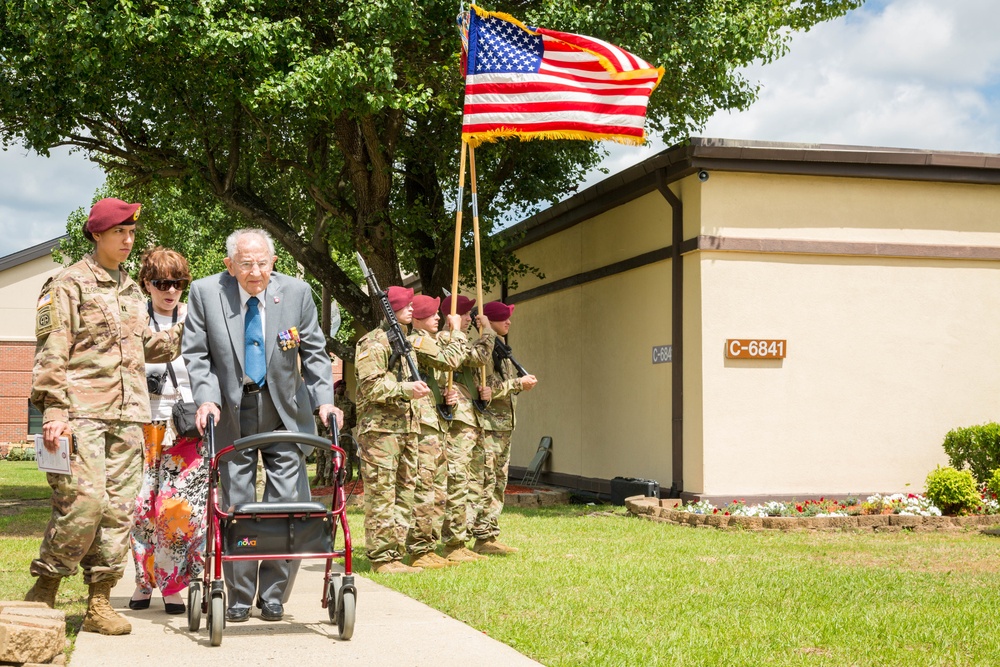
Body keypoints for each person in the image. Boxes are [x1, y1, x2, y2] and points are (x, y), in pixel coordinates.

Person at [25, 197, 184, 636]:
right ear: (97, 235)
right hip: (82, 414)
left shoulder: (132, 289)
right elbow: (53, 348)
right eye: (120, 233)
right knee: (84, 503)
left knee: (117, 511)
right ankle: (46, 587)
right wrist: (54, 408)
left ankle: (99, 601)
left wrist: (189, 329)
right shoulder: (68, 283)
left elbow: (147, 347)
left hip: (129, 416)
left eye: (132, 233)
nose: (128, 241)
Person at [182, 228, 342, 623]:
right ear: (229, 265)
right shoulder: (206, 293)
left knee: (287, 504)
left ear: (273, 262)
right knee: (238, 503)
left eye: (262, 263)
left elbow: (316, 353)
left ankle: (273, 595)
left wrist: (325, 402)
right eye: (246, 264)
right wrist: (206, 398)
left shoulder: (297, 293)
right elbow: (198, 354)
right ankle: (236, 596)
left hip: (284, 409)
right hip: (232, 412)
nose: (255, 272)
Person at [128, 247, 205, 615]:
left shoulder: (196, 319)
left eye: (177, 283)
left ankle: (173, 585)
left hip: (187, 426)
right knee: (142, 509)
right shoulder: (133, 320)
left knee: (176, 510)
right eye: (162, 283)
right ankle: (144, 582)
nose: (170, 290)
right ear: (147, 283)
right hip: (144, 426)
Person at [354, 285, 429, 574]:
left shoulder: (405, 341)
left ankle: (396, 553)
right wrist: (406, 389)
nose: (412, 309)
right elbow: (371, 386)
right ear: (392, 308)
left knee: (404, 491)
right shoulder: (374, 343)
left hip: (406, 427)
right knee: (382, 493)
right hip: (381, 432)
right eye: (406, 305)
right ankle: (382, 557)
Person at [402, 294, 467, 569]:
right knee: (424, 486)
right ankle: (418, 548)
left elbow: (435, 376)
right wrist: (457, 332)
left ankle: (428, 545)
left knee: (437, 489)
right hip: (423, 425)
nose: (438, 317)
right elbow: (451, 360)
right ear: (418, 317)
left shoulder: (427, 339)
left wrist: (445, 397)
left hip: (434, 421)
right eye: (432, 314)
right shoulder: (416, 340)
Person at [471, 301, 538, 555]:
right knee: (487, 482)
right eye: (503, 318)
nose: (508, 322)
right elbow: (485, 390)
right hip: (488, 426)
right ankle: (480, 534)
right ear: (490, 321)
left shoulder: (502, 351)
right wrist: (517, 384)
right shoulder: (485, 352)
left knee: (499, 482)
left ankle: (488, 534)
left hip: (503, 427)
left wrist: (517, 383)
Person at [437, 294, 494, 563]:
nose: (472, 318)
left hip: (468, 419)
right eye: (467, 314)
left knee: (471, 481)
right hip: (456, 422)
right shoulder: (447, 341)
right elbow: (480, 356)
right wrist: (489, 331)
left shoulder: (457, 340)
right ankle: (453, 542)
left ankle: (464, 537)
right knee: (458, 480)